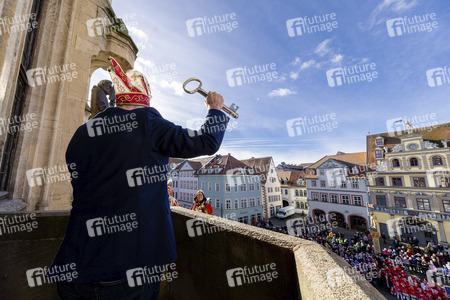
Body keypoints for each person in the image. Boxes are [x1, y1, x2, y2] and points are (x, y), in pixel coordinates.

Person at [49, 57, 228, 300]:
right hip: (129, 272)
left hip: (74, 269)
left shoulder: (83, 132)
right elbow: (207, 141)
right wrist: (214, 109)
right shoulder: (148, 122)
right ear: (145, 99)